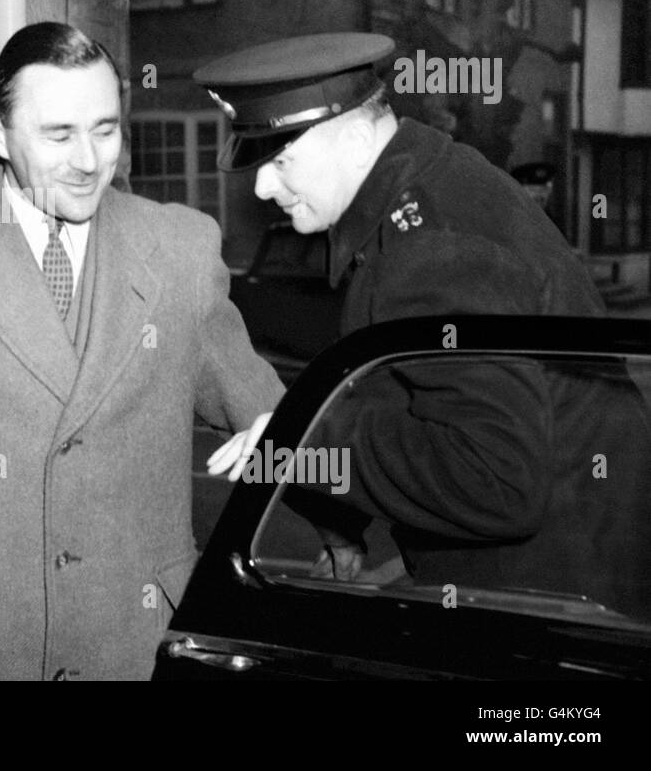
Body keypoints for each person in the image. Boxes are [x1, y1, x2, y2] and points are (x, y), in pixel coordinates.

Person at [0, 22, 283, 680]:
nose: (90, 160)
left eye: (106, 128)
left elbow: (274, 422)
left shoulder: (180, 251)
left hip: (133, 648)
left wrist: (330, 531)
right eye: (59, 134)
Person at [199, 33, 651, 617]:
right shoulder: (437, 184)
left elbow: (495, 478)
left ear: (360, 137)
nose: (262, 186)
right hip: (585, 577)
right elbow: (419, 400)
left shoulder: (427, 248)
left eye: (281, 159)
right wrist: (341, 515)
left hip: (553, 606)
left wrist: (302, 443)